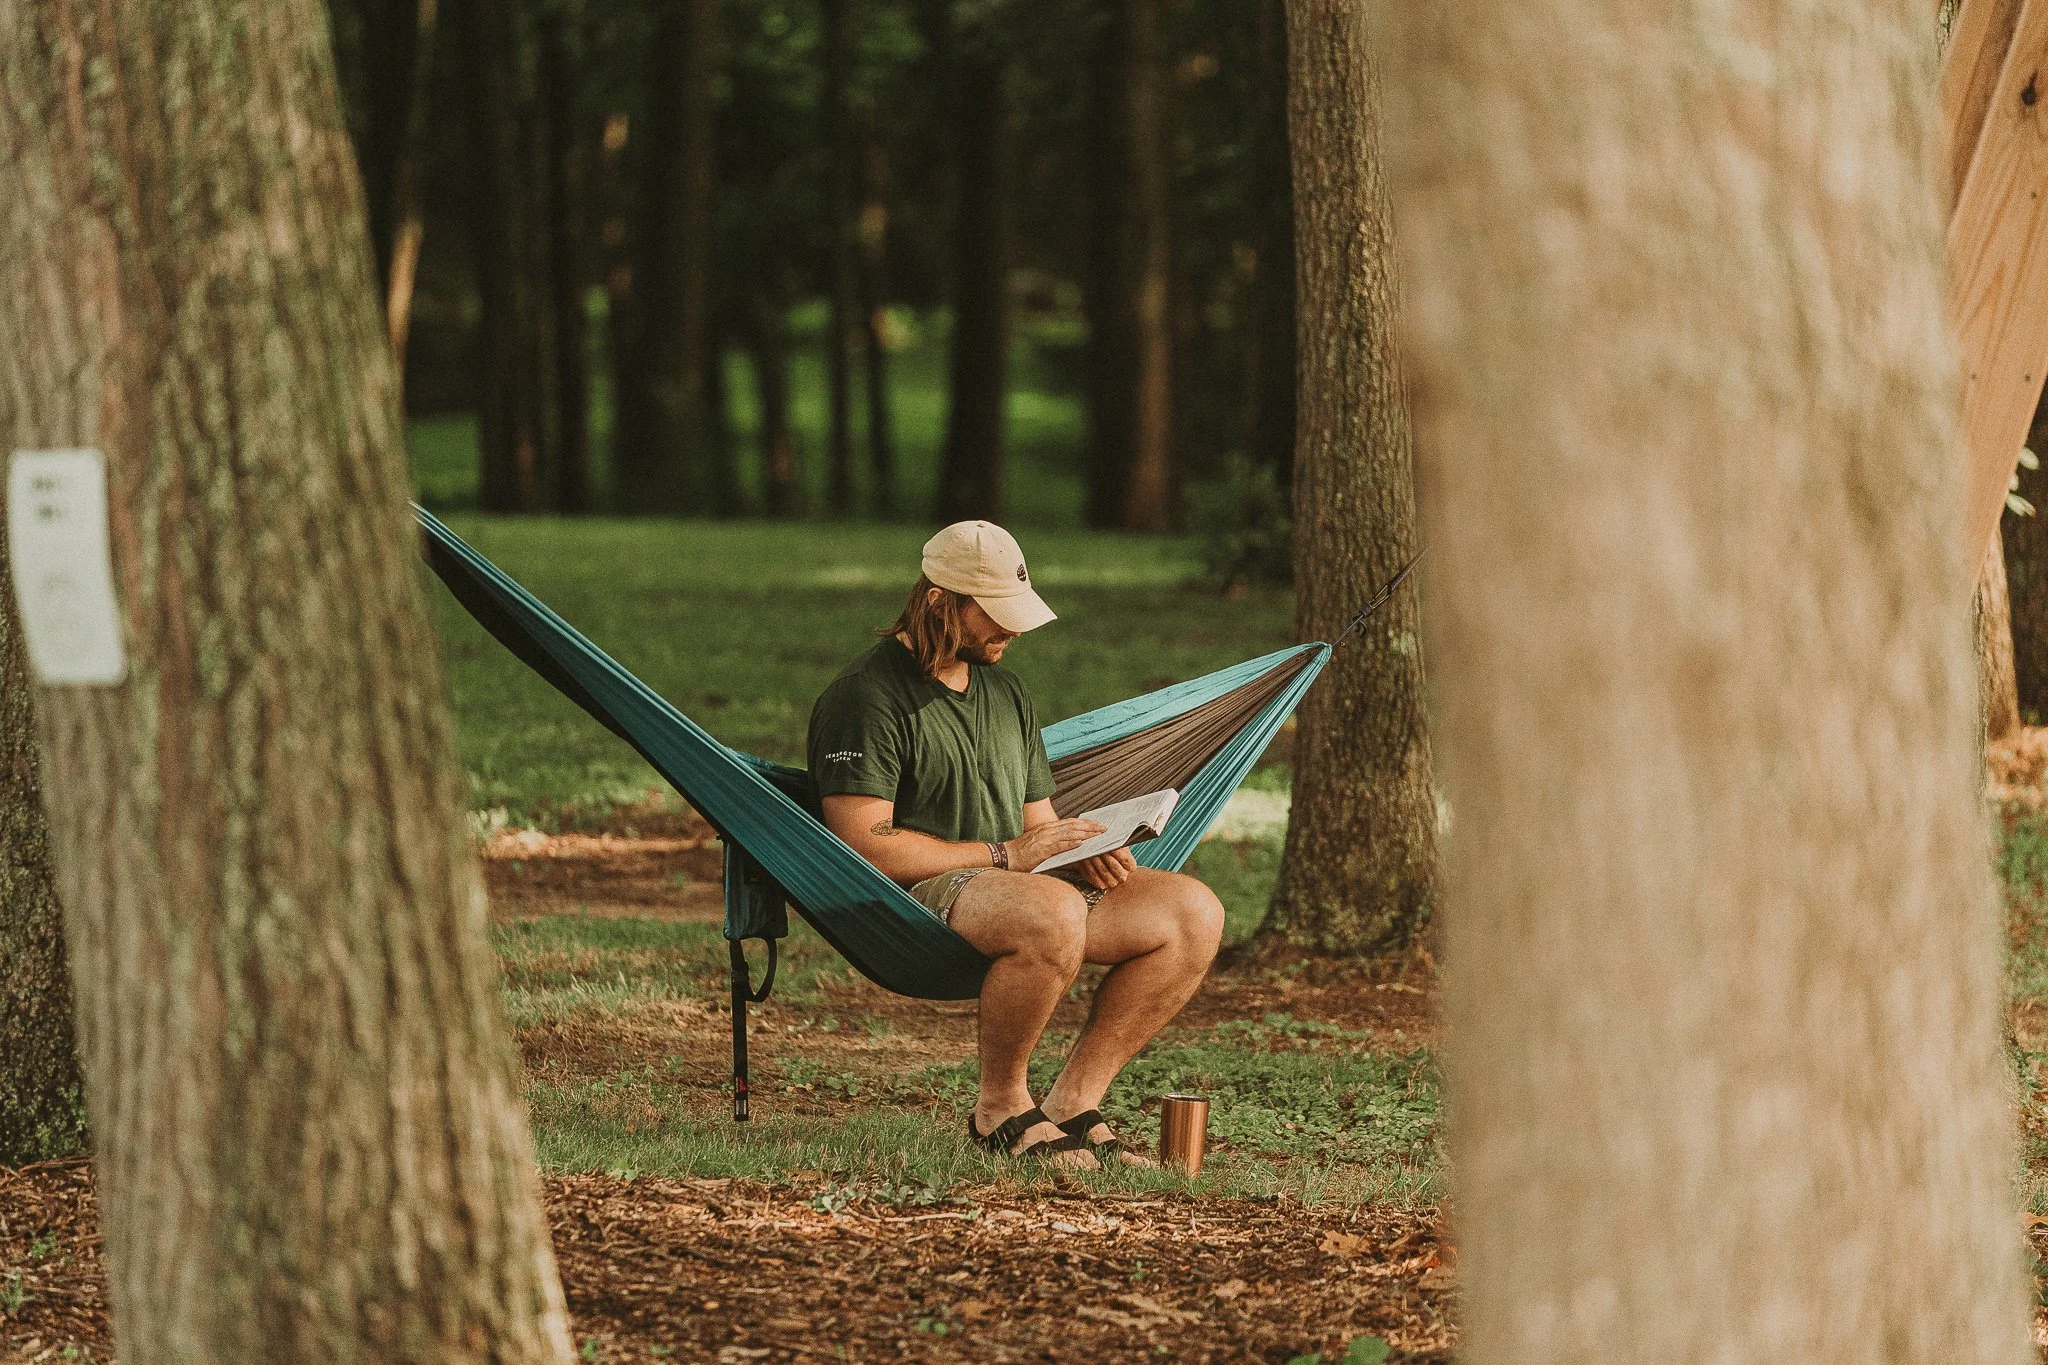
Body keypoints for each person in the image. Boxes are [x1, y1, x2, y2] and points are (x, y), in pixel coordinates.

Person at [806, 520, 1226, 1168]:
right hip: (925, 892)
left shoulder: (1006, 692)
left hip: (1022, 879)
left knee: (1192, 913)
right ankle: (999, 1106)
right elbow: (865, 846)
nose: (1015, 630)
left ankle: (1072, 1105)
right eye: (997, 616)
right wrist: (1008, 855)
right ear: (940, 600)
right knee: (1052, 912)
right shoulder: (866, 695)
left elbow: (1037, 824)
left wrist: (1080, 846)